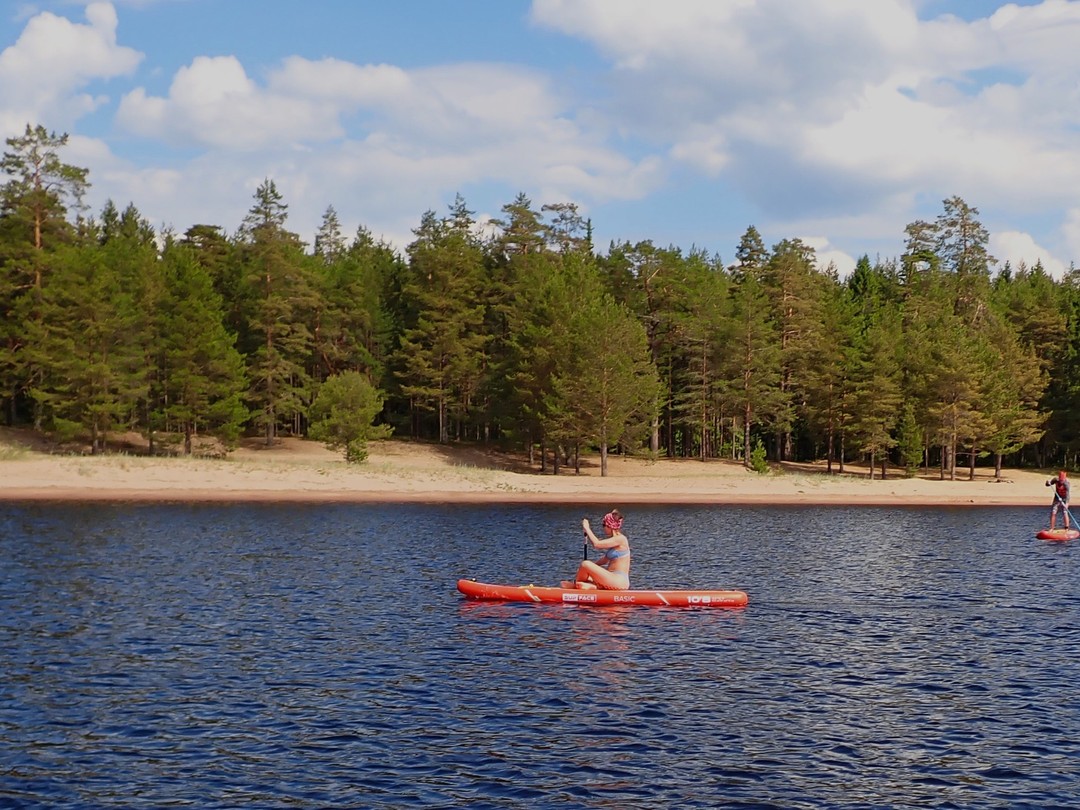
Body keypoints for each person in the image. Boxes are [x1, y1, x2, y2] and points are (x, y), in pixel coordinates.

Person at [566, 509, 631, 590]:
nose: (603, 528)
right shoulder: (614, 542)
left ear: (609, 525)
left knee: (585, 564)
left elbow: (597, 544)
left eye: (604, 525)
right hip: (611, 578)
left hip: (619, 581)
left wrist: (587, 528)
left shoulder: (621, 539)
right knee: (586, 574)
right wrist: (587, 570)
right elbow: (604, 560)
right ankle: (588, 587)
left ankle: (575, 588)